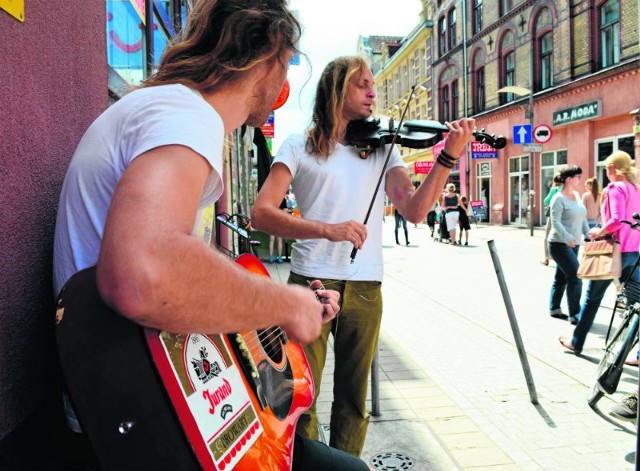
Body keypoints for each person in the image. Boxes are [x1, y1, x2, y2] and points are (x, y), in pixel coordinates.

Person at [52, 2, 370, 469]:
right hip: (148, 419)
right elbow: (145, 273)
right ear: (270, 55)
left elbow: (180, 273)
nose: (284, 83)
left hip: (134, 405)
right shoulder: (187, 114)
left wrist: (273, 301)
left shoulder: (170, 110)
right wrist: (284, 304)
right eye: (287, 63)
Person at [251, 55, 476, 456]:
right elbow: (262, 213)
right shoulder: (298, 145)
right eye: (362, 84)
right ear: (337, 90)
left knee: (354, 401)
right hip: (310, 283)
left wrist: (448, 157)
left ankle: (344, 466)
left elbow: (415, 210)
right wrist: (325, 229)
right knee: (301, 396)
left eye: (372, 83)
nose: (373, 92)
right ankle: (309, 464)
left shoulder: (382, 148)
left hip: (366, 285)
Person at [560, 151, 640, 354]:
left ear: (613, 169)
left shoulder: (615, 188)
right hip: (633, 253)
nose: (606, 173)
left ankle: (576, 341)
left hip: (614, 253)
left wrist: (598, 232)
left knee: (592, 299)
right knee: (636, 306)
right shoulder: (636, 189)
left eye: (606, 169)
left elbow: (616, 220)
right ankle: (638, 354)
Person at [546, 165, 590, 324]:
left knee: (562, 277)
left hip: (575, 243)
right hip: (559, 244)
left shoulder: (577, 195)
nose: (580, 179)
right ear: (569, 179)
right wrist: (567, 237)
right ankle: (575, 314)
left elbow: (582, 217)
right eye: (578, 176)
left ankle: (554, 308)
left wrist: (588, 234)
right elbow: (555, 221)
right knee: (575, 276)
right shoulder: (558, 198)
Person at [541, 174, 562, 266]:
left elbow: (546, 201)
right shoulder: (566, 189)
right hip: (564, 216)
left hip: (553, 216)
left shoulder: (555, 189)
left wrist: (553, 189)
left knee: (547, 236)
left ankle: (546, 258)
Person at [269, 196, 288, 263]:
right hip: (279, 221)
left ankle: (271, 257)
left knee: (271, 240)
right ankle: (279, 258)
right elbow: (285, 211)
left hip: (272, 220)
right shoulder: (283, 199)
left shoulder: (272, 198)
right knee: (279, 240)